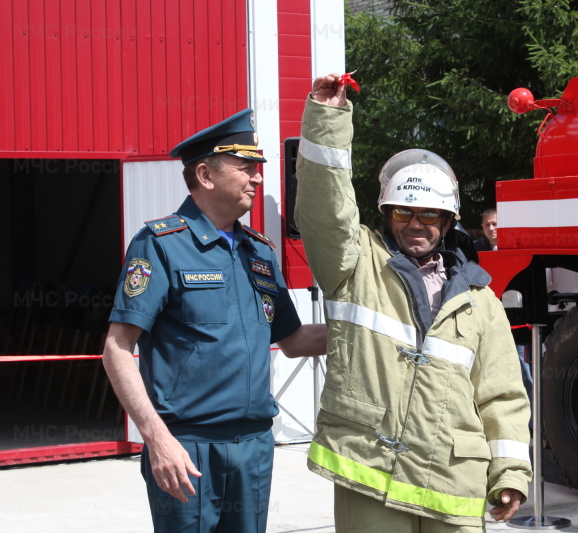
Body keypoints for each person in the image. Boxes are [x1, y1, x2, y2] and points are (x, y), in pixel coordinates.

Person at [294, 74, 532, 532]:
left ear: (448, 222)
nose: (415, 224)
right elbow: (325, 211)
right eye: (403, 212)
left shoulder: (481, 301)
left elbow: (502, 394)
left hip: (452, 483)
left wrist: (510, 473)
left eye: (429, 215)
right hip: (371, 475)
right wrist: (327, 119)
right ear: (386, 214)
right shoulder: (355, 264)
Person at [102, 109, 327, 533]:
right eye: (246, 168)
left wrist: (368, 329)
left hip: (254, 446)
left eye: (258, 169)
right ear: (205, 175)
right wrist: (157, 438)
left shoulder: (259, 252)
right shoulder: (160, 245)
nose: (257, 178)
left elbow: (294, 340)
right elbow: (116, 349)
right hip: (186, 445)